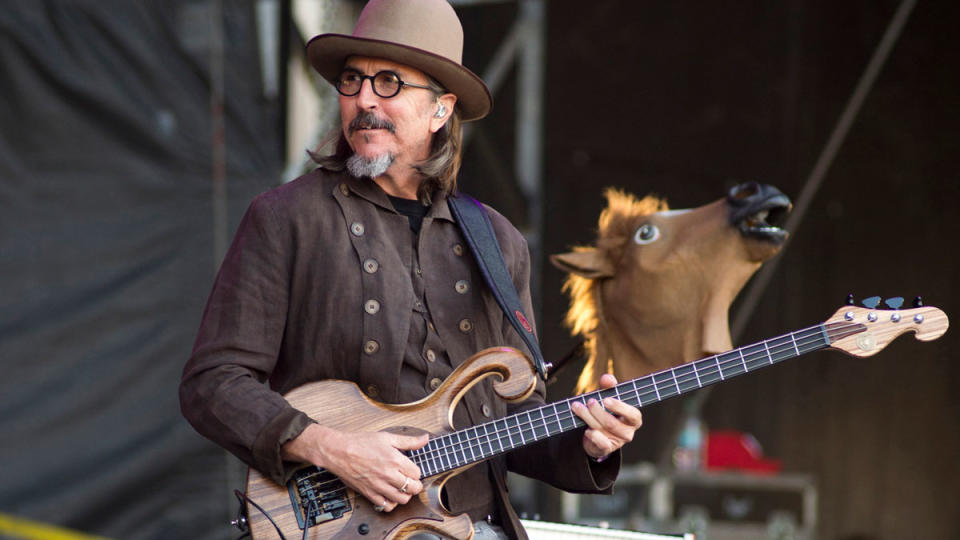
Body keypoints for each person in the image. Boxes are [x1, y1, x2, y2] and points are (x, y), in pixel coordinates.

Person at [179, 1, 643, 538]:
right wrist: (335, 450)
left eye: (389, 83)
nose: (363, 100)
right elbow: (212, 383)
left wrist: (591, 441)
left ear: (441, 110)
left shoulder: (498, 242)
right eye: (352, 81)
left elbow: (513, 421)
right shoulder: (287, 217)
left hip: (471, 527)